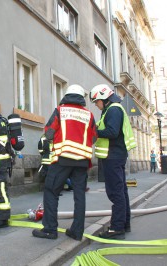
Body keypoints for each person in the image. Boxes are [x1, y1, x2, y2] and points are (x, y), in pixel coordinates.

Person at [32, 84, 97, 241]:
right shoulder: (89, 114)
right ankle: (77, 232)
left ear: (66, 95)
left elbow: (48, 132)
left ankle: (49, 230)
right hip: (82, 161)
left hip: (62, 159)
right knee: (79, 195)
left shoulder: (60, 111)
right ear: (81, 97)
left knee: (51, 191)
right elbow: (94, 137)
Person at [89, 84, 137, 240]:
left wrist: (93, 133)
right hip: (116, 155)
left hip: (113, 157)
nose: (96, 105)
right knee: (121, 191)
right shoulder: (111, 110)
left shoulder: (113, 109)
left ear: (104, 98)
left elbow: (112, 131)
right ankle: (124, 224)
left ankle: (116, 229)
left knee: (115, 193)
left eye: (96, 101)